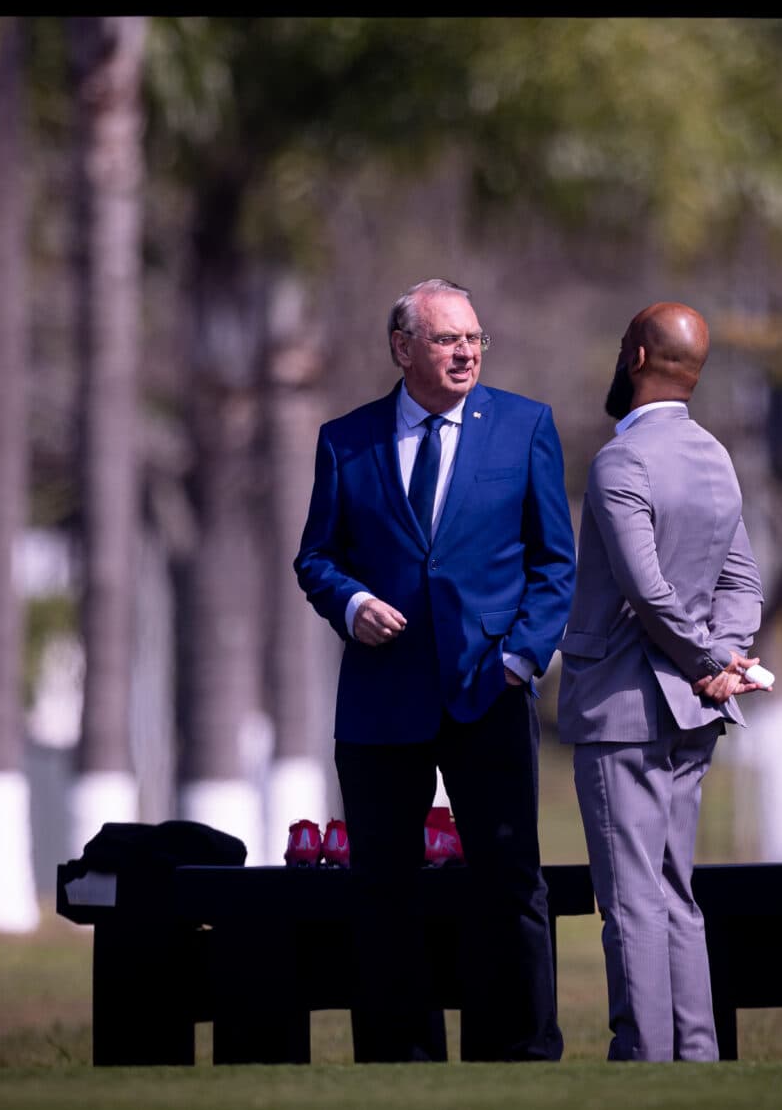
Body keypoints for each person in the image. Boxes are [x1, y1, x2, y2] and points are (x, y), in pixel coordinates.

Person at [293, 277, 574, 1062]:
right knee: (383, 885)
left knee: (509, 878)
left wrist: (522, 656)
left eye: (475, 338)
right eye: (449, 338)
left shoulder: (524, 427)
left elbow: (556, 563)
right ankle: (399, 1056)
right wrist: (350, 605)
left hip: (491, 687)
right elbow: (316, 556)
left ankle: (518, 1049)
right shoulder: (346, 440)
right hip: (384, 698)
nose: (466, 351)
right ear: (403, 347)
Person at [557, 301, 766, 1062]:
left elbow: (646, 592)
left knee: (633, 900)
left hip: (623, 709)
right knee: (676, 893)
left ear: (637, 356)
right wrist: (725, 659)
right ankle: (695, 1058)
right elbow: (743, 585)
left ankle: (644, 1060)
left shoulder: (620, 462)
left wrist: (714, 664)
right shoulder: (716, 458)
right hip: (693, 713)